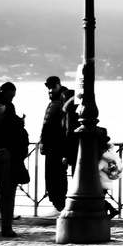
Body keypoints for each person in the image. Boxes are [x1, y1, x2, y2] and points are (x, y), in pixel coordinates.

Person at [0, 83, 30, 238]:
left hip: (10, 164)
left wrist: (8, 154)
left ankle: (7, 226)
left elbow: (23, 144)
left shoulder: (15, 123)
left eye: (2, 104)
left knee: (8, 196)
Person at [40, 76, 70, 212]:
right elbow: (46, 125)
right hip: (52, 146)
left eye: (53, 87)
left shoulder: (62, 101)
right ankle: (57, 204)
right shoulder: (54, 102)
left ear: (59, 85)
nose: (50, 90)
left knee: (56, 176)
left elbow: (62, 127)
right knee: (52, 176)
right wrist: (42, 141)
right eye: (49, 88)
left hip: (57, 146)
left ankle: (59, 204)